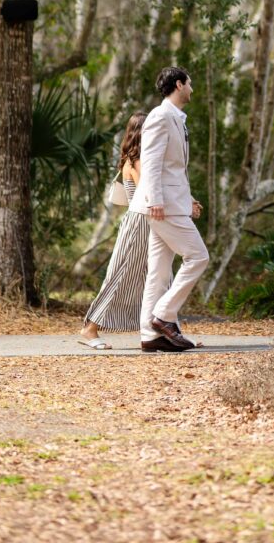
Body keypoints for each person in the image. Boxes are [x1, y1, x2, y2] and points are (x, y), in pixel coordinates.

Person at [131, 66, 208, 353]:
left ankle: (149, 336)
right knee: (198, 256)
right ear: (179, 84)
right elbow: (150, 162)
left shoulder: (176, 118)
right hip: (161, 207)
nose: (192, 89)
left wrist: (187, 200)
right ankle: (163, 315)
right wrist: (156, 201)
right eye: (190, 83)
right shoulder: (160, 116)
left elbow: (174, 169)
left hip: (171, 203)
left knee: (160, 273)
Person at [79, 111, 150, 350]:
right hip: (139, 223)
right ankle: (90, 328)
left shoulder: (138, 159)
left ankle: (166, 331)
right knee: (121, 276)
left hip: (147, 223)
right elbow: (147, 192)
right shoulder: (137, 161)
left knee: (156, 277)